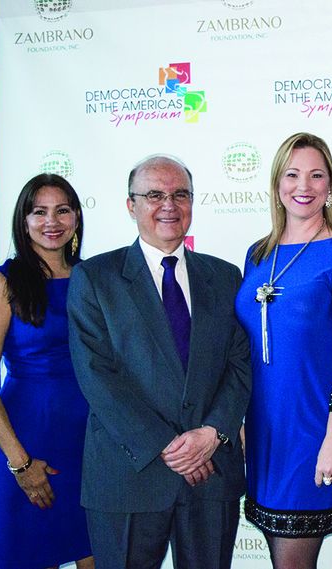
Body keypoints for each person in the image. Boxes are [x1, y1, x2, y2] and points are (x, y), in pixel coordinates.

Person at [66, 155, 251, 569]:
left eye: (180, 194)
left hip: (211, 471)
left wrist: (212, 434)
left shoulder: (225, 277)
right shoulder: (95, 278)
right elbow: (96, 376)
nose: (169, 205)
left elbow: (240, 364)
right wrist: (168, 447)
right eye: (154, 195)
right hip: (129, 476)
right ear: (130, 206)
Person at [234, 132, 332, 569]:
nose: (303, 186)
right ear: (277, 184)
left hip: (313, 430)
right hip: (261, 429)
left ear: (330, 186)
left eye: (316, 175)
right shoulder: (257, 254)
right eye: (292, 175)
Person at [0, 173, 93, 569]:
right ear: (23, 221)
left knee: (98, 553)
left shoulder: (93, 278)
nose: (51, 221)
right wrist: (20, 464)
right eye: (39, 212)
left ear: (76, 217)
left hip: (91, 443)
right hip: (28, 437)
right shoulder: (3, 282)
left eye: (62, 210)